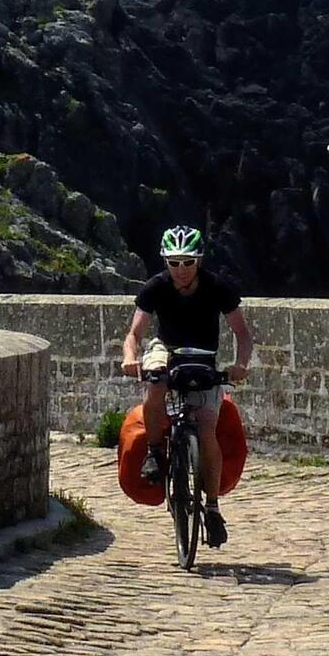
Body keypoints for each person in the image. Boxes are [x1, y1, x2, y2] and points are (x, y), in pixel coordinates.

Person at [118, 226, 253, 548]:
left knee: (207, 431)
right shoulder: (156, 287)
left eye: (187, 262)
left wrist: (240, 366)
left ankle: (213, 508)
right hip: (166, 349)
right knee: (154, 383)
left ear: (199, 260)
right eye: (174, 263)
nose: (180, 270)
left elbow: (243, 335)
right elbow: (134, 334)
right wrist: (129, 358)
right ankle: (154, 452)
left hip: (202, 357)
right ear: (165, 261)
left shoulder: (218, 287)